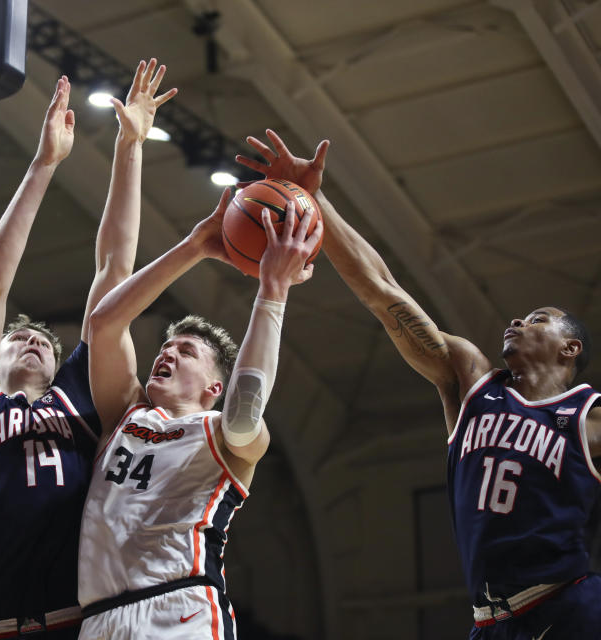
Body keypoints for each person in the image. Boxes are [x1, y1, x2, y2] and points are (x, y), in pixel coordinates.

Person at [236, 130, 601, 638]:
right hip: (490, 621)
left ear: (570, 348)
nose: (517, 320)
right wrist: (314, 201)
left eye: (538, 319)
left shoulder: (589, 415)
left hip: (568, 605)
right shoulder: (470, 379)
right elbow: (380, 290)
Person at [0, 61, 177, 639]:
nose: (33, 340)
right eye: (17, 337)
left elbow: (114, 270)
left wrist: (130, 147)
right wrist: (44, 164)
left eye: (44, 340)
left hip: (79, 620)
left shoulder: (76, 397)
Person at [78, 187, 322, 639]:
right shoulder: (126, 417)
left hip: (180, 609)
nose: (166, 354)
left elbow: (245, 411)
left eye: (185, 351)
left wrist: (274, 289)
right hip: (100, 619)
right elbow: (103, 324)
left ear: (215, 387)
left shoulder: (226, 435)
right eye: (166, 346)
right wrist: (194, 246)